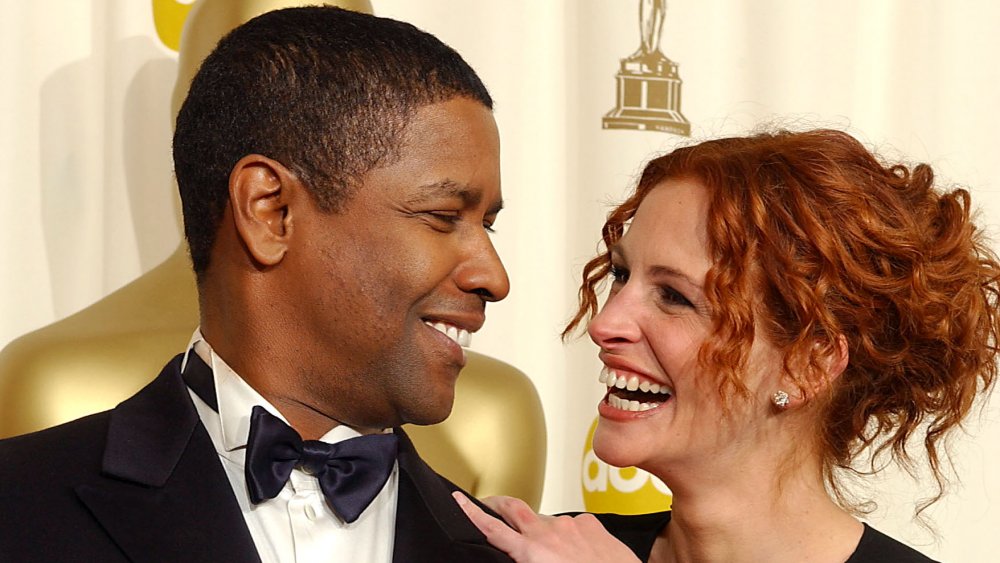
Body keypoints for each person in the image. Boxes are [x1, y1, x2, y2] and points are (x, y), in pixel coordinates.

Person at [0, 6, 520, 562]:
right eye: (443, 216)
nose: (495, 277)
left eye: (487, 224)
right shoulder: (16, 508)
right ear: (271, 211)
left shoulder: (510, 551)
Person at [455, 129, 1000, 562]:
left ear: (807, 365)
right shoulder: (544, 552)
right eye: (621, 275)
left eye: (674, 295)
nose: (606, 324)